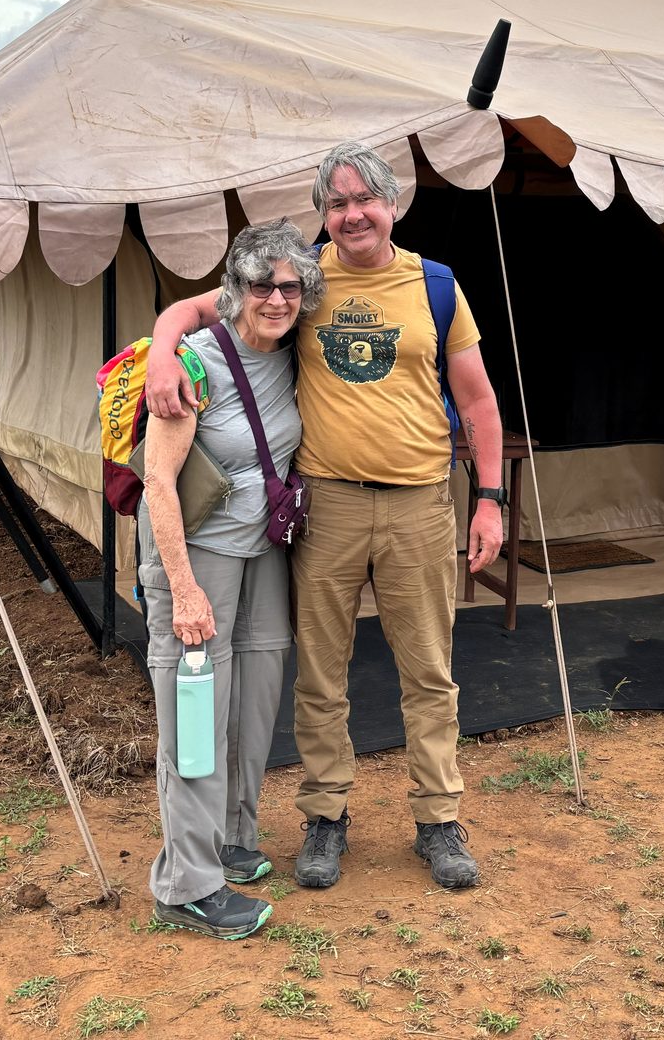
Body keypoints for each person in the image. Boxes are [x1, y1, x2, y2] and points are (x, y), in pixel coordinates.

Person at [148, 140, 504, 890]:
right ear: (323, 215)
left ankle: (439, 819)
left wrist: (491, 499)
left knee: (429, 670)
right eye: (336, 203)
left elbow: (477, 399)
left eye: (364, 200)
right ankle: (325, 816)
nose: (351, 215)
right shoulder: (299, 282)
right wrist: (160, 354)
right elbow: (198, 304)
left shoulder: (436, 286)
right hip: (328, 503)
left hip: (418, 502)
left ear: (394, 205)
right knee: (319, 671)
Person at [140, 221, 323, 940]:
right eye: (261, 284)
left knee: (254, 700)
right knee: (195, 716)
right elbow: (158, 479)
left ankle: (230, 840)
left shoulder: (295, 351)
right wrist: (182, 589)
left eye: (290, 285)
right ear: (235, 287)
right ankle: (187, 884)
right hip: (199, 557)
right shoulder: (197, 360)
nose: (276, 298)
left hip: (264, 555)